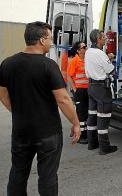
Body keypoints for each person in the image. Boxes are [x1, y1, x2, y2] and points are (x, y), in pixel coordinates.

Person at [0, 21, 80, 196]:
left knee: (18, 172)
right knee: (48, 176)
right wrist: (75, 123)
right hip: (48, 132)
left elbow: (3, 95)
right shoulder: (48, 65)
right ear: (42, 40)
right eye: (50, 39)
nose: (51, 43)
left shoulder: (7, 63)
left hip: (21, 130)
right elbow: (63, 99)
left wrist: (19, 111)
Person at [85, 29, 117, 155]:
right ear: (98, 39)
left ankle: (92, 143)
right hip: (102, 89)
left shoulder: (89, 52)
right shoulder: (100, 54)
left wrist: (107, 58)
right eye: (103, 37)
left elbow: (98, 63)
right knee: (103, 117)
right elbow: (112, 71)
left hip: (91, 87)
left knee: (92, 116)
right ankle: (104, 148)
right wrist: (110, 59)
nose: (105, 39)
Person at [67, 41, 89, 144]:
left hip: (88, 90)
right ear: (78, 50)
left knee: (86, 112)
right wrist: (75, 89)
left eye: (86, 46)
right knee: (81, 114)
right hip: (79, 90)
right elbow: (69, 76)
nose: (86, 48)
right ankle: (81, 136)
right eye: (84, 47)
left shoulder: (87, 60)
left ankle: (84, 133)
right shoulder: (74, 61)